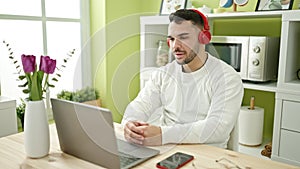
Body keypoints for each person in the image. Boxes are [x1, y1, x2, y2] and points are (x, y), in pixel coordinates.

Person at [121, 9, 244, 148]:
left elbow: (217, 128)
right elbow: (140, 104)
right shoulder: (164, 74)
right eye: (172, 39)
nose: (175, 46)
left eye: (183, 37)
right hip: (168, 147)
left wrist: (162, 134)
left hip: (207, 152)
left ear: (204, 38)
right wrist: (129, 123)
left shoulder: (227, 78)